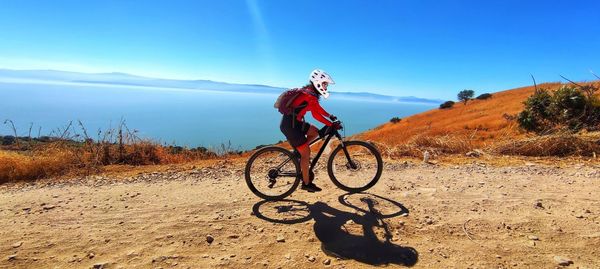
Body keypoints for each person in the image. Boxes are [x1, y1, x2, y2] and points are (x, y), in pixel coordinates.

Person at [279, 69, 342, 192]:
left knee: (315, 132)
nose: (326, 86)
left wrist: (330, 116)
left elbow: (317, 109)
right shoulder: (309, 95)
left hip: (295, 123)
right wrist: (331, 124)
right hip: (291, 126)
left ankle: (299, 151)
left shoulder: (310, 93)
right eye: (325, 84)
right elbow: (316, 115)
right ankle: (306, 183)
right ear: (318, 82)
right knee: (306, 154)